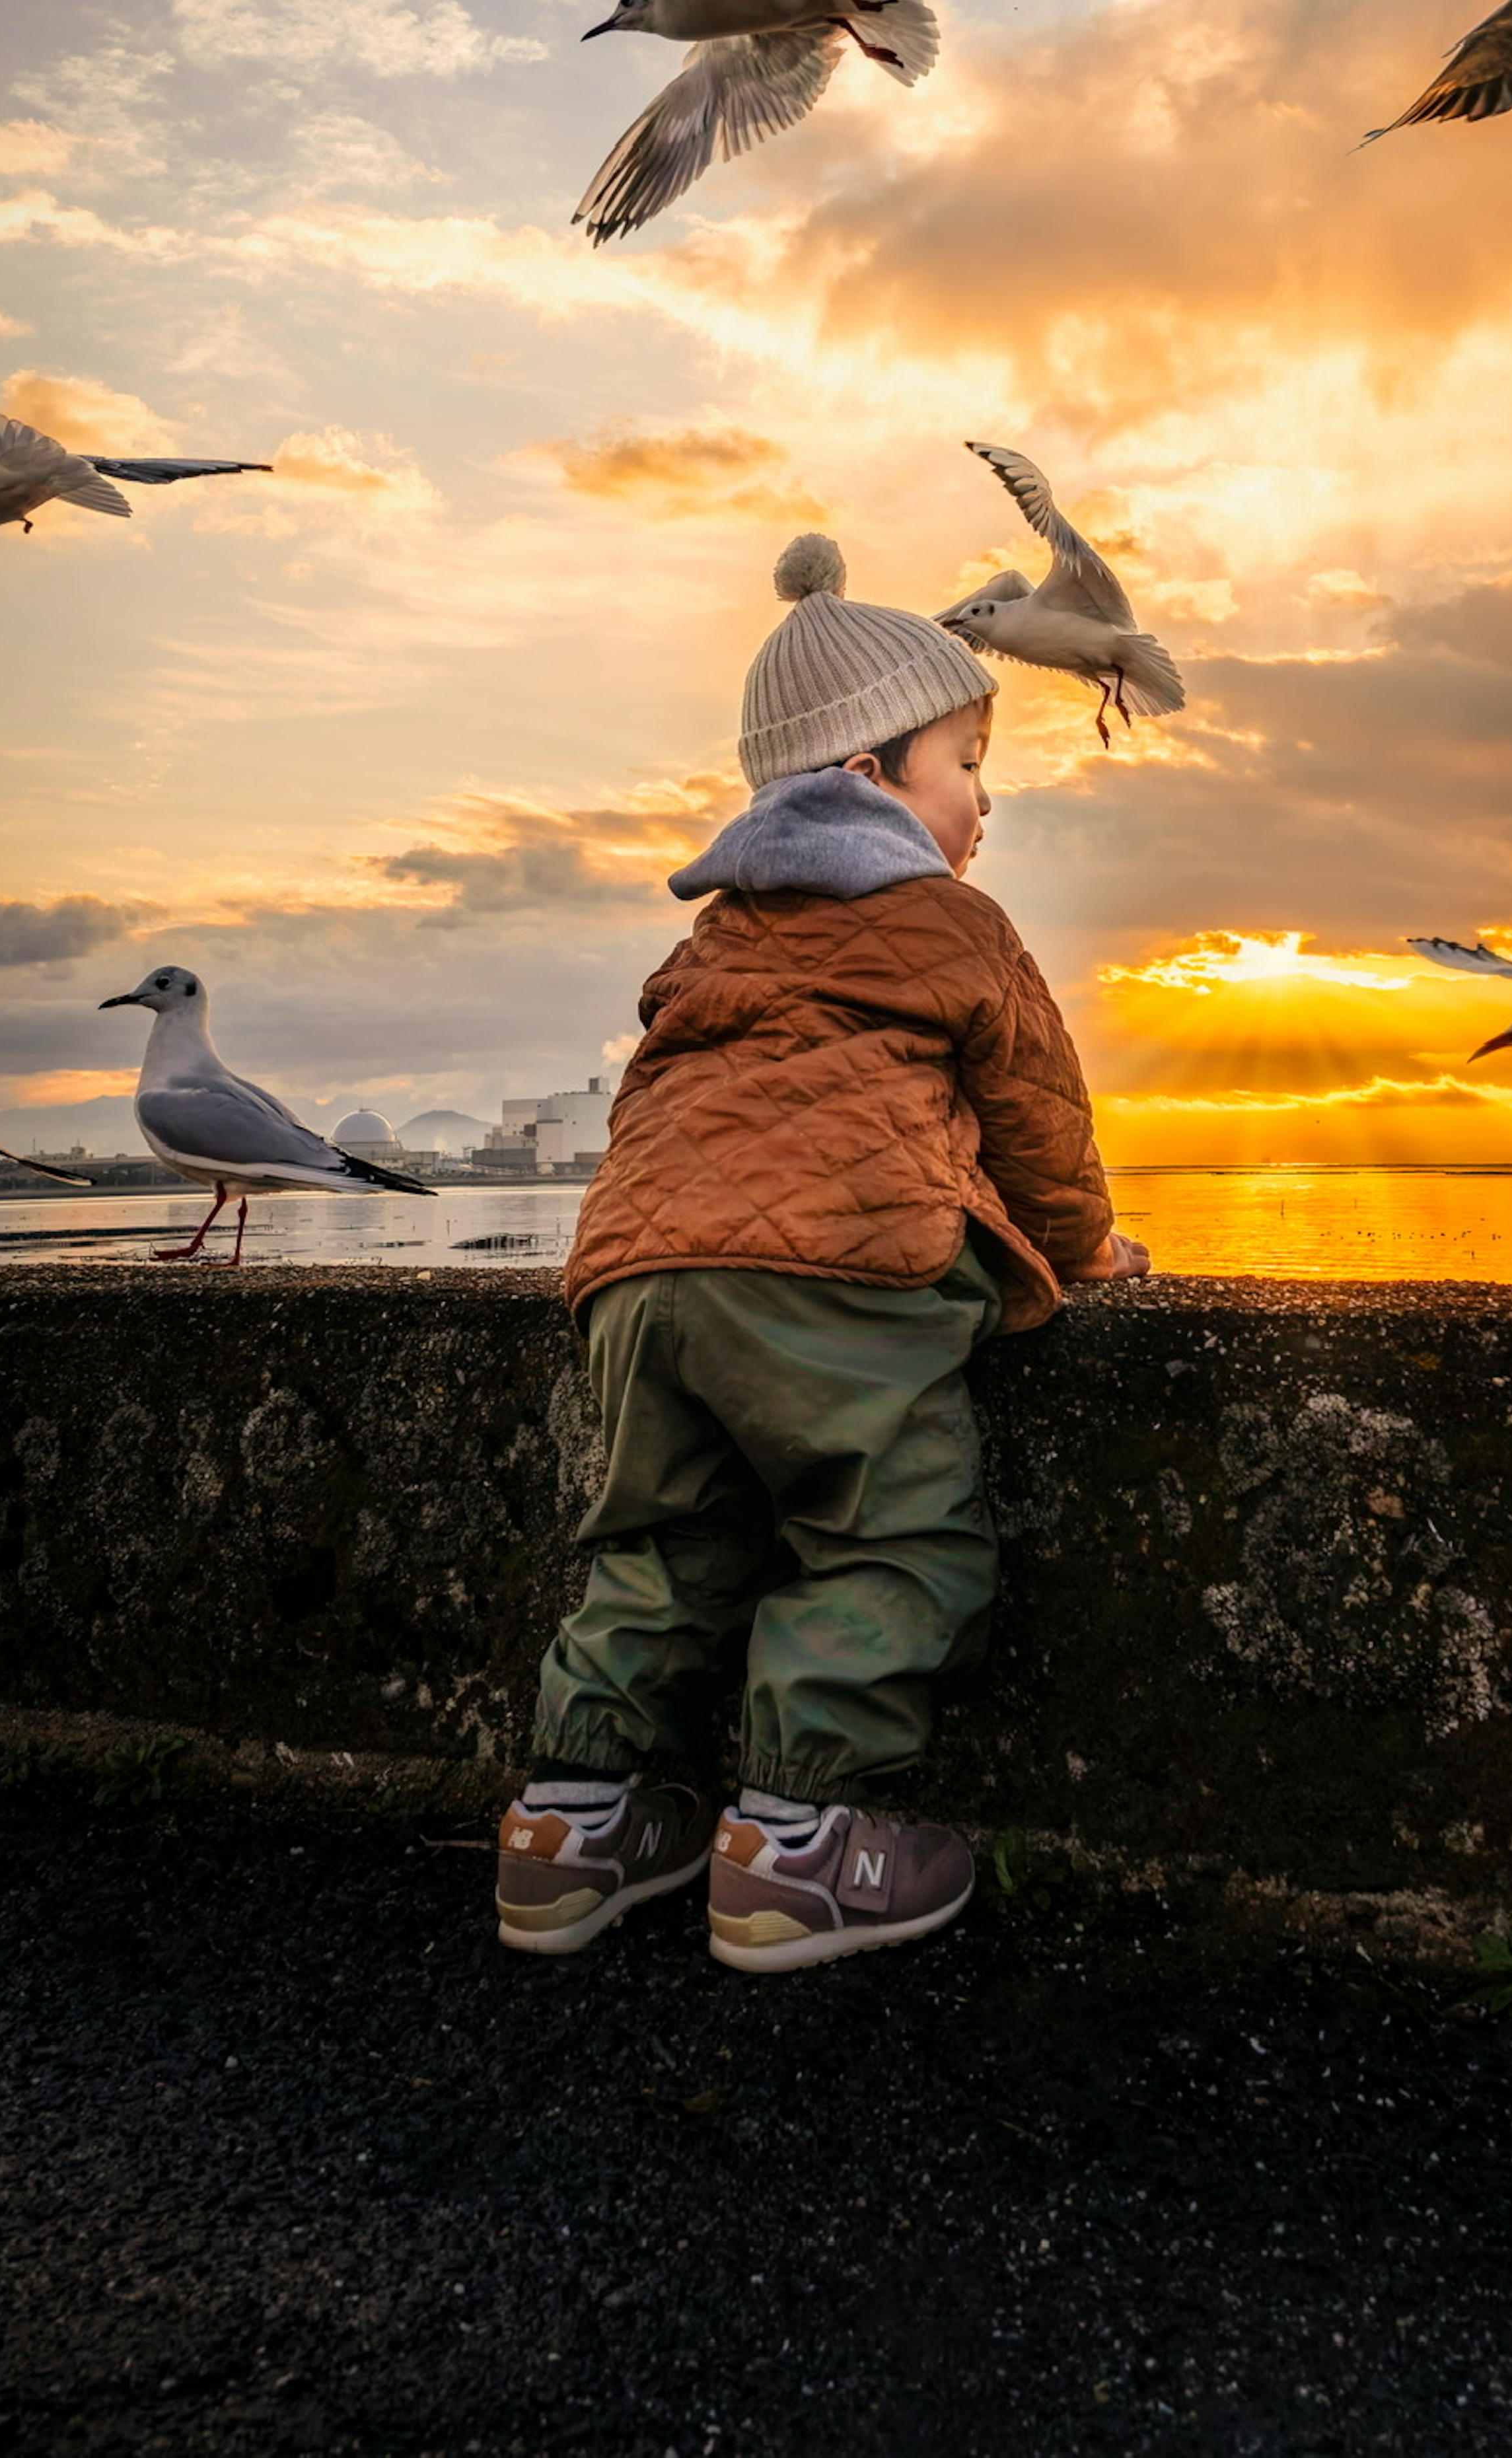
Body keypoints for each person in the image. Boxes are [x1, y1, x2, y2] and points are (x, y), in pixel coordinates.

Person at [494, 531, 1147, 1973]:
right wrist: (1087, 1252)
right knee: (886, 1533)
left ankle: (570, 1823)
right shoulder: (951, 922)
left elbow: (657, 1094)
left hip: (640, 1276)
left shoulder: (709, 944)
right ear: (870, 779)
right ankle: (800, 1844)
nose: (983, 801)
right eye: (967, 764)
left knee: (659, 1545)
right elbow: (1040, 1122)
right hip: (833, 1281)